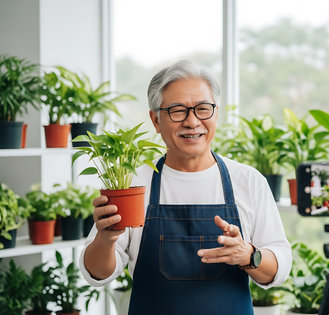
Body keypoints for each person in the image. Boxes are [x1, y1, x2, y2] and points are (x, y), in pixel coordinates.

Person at [79, 60, 292, 315]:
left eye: (203, 109)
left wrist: (249, 255)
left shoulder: (248, 180)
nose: (192, 122)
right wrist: (105, 239)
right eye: (178, 111)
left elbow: (279, 267)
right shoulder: (133, 184)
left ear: (215, 114)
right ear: (155, 120)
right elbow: (97, 274)